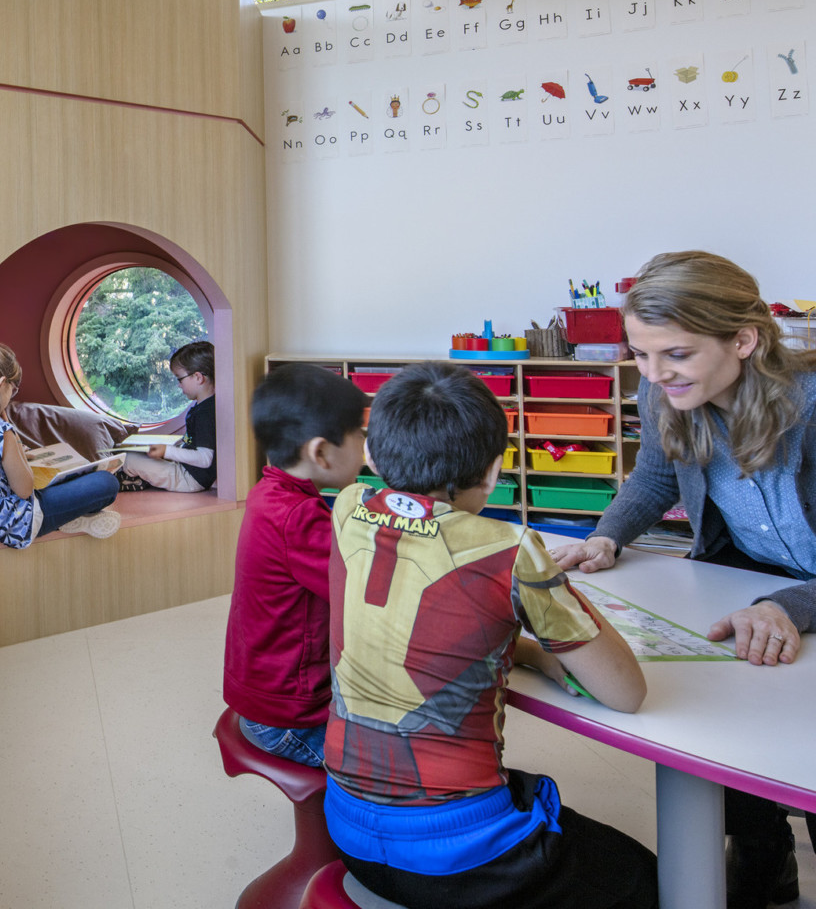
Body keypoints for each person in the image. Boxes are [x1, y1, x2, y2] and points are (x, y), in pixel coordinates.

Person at [326, 361, 655, 909]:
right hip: (461, 862)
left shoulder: (347, 508)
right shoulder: (510, 547)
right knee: (647, 878)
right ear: (496, 469)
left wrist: (526, 652)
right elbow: (627, 693)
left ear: (373, 456)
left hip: (348, 832)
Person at [551, 250, 816, 909]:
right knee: (731, 724)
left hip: (795, 590)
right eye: (639, 355)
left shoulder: (808, 405)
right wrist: (607, 535)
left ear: (744, 340)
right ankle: (762, 856)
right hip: (748, 576)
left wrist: (788, 604)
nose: (654, 373)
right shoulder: (666, 387)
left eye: (674, 354)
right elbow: (656, 475)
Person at [223, 364, 365, 764]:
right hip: (290, 719)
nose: (364, 448)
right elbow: (366, 592)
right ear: (320, 452)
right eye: (359, 435)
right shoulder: (299, 518)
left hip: (262, 696)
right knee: (398, 765)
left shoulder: (269, 493)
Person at [0, 341, 121, 545]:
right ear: (1, 383)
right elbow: (25, 489)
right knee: (107, 483)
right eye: (13, 390)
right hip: (17, 522)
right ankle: (70, 517)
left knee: (74, 479)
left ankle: (72, 516)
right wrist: (12, 434)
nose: (12, 397)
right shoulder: (2, 432)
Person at [122, 340, 219, 492]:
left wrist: (167, 451)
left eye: (179, 378)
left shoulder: (206, 413)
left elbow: (205, 459)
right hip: (186, 471)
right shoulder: (203, 406)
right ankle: (138, 478)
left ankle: (131, 479)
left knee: (129, 459)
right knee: (136, 454)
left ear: (198, 377)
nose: (179, 385)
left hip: (190, 479)